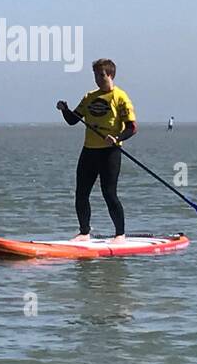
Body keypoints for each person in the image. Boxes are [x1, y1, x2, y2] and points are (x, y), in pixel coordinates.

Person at [56, 58, 137, 241]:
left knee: (109, 193)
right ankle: (84, 232)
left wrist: (116, 138)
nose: (98, 79)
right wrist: (64, 109)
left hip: (110, 152)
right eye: (95, 75)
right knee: (81, 193)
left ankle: (120, 234)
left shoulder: (120, 97)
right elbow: (72, 120)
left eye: (101, 75)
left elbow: (132, 127)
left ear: (110, 75)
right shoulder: (89, 97)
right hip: (89, 151)